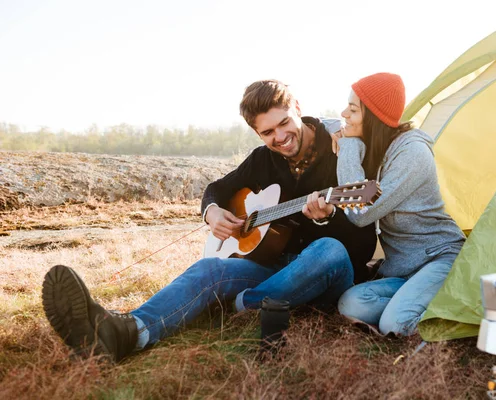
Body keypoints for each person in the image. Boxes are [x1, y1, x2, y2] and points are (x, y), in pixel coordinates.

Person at [42, 79, 376, 362]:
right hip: (274, 266)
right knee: (208, 270)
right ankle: (126, 332)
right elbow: (217, 189)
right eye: (268, 132)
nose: (280, 137)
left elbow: (363, 243)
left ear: (298, 108)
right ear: (257, 133)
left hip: (327, 274)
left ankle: (244, 303)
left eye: (284, 123)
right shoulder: (263, 159)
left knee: (328, 249)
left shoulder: (342, 152)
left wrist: (328, 217)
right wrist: (212, 211)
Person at [329, 72, 466, 336]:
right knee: (350, 304)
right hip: (404, 270)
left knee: (394, 324)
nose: (344, 113)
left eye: (353, 109)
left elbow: (360, 212)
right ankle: (417, 302)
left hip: (440, 258)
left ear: (374, 119)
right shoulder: (377, 146)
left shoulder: (411, 153)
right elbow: (323, 124)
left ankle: (463, 309)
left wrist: (348, 148)